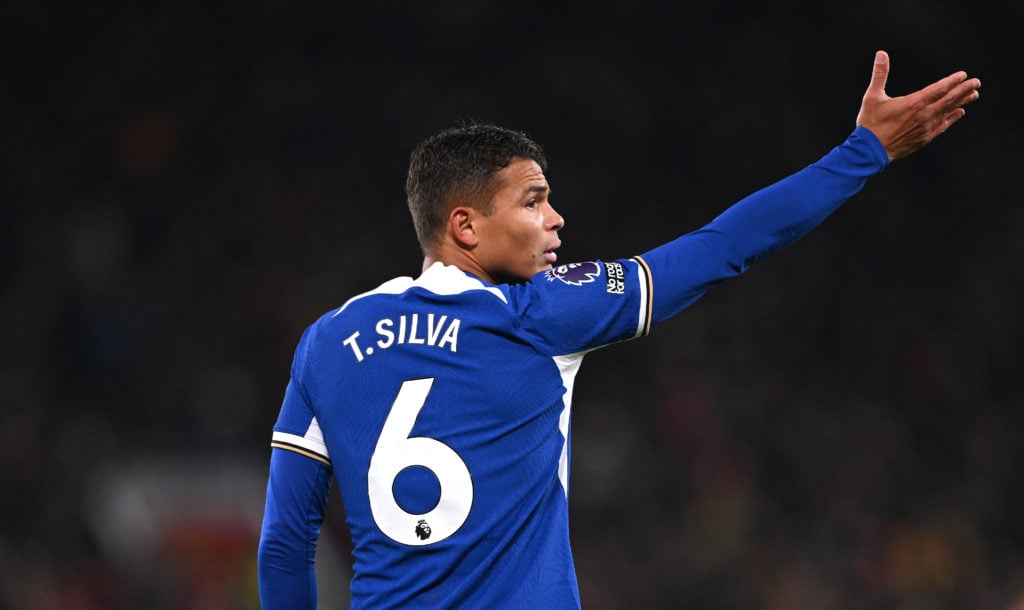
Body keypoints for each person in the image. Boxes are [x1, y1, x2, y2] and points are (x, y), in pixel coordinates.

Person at [257, 50, 980, 608]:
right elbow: (724, 246)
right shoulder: (539, 316)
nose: (556, 219)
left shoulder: (329, 341)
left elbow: (286, 541)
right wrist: (864, 151)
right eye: (534, 201)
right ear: (466, 226)